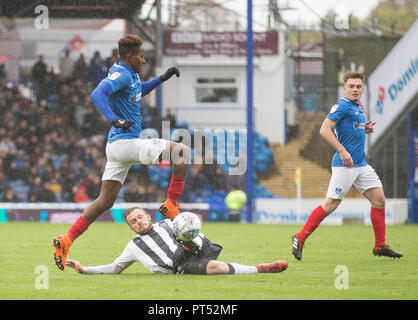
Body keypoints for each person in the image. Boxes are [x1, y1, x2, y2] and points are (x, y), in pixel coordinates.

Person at [52, 34, 188, 271]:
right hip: (125, 143)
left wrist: (161, 79)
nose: (143, 60)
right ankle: (171, 204)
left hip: (117, 148)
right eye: (142, 56)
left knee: (105, 201)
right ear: (131, 55)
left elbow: (137, 92)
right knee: (182, 152)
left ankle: (67, 239)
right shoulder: (121, 73)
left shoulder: (130, 74)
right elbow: (97, 94)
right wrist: (114, 119)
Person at [291, 72, 403, 261]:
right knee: (330, 204)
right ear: (344, 88)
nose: (355, 89)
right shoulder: (342, 106)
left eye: (358, 86)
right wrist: (342, 151)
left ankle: (380, 245)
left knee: (379, 201)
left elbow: (349, 128)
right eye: (351, 86)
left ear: (363, 89)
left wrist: (362, 128)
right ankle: (300, 237)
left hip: (361, 164)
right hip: (345, 165)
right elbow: (324, 129)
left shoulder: (358, 107)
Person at [66, 207, 288, 275]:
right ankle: (260, 269)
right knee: (217, 267)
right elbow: (115, 268)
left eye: (140, 217)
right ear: (131, 227)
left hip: (193, 248)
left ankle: (195, 245)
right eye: (134, 221)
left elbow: (183, 225)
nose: (139, 222)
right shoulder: (134, 245)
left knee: (191, 233)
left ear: (147, 216)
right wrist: (84, 269)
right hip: (178, 264)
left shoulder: (166, 224)